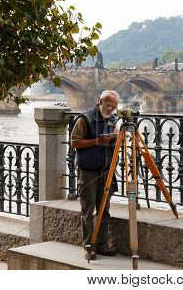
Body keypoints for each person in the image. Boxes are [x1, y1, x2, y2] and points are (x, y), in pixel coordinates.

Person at [70, 90, 120, 260]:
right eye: (108, 105)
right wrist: (99, 141)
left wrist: (117, 137)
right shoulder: (85, 119)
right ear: (100, 101)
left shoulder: (113, 120)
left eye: (113, 107)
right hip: (89, 171)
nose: (110, 109)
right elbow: (74, 142)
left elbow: (117, 140)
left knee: (104, 210)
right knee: (88, 210)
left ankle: (101, 244)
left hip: (106, 170)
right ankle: (89, 246)